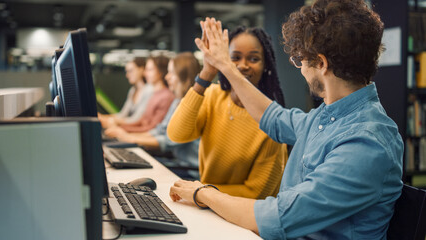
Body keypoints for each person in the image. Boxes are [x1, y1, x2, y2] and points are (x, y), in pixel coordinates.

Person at [169, 1, 404, 239]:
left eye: (300, 60)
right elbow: (273, 117)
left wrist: (204, 193)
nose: (301, 69)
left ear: (321, 63)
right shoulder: (330, 116)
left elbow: (277, 217)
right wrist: (225, 67)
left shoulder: (366, 143)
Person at [167, 25, 288, 199]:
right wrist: (207, 74)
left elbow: (256, 193)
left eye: (253, 59)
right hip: (205, 201)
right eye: (235, 58)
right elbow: (176, 134)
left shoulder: (271, 119)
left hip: (242, 215)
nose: (243, 65)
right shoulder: (212, 96)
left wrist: (201, 192)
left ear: (265, 65)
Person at [109, 52, 201, 172]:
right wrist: (128, 136)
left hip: (188, 169)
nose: (167, 77)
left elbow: (170, 141)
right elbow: (160, 130)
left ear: (184, 77)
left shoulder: (192, 105)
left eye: (172, 73)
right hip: (178, 162)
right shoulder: (176, 101)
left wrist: (130, 137)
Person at [105, 55, 174, 137]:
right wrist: (121, 128)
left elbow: (152, 128)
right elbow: (141, 121)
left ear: (160, 71)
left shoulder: (166, 96)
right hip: (142, 137)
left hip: (148, 141)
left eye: (150, 70)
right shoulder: (153, 93)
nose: (145, 73)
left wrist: (123, 130)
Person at [98, 57, 153, 127]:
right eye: (126, 71)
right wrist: (103, 117)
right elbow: (123, 114)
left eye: (130, 71)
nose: (127, 75)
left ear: (141, 70)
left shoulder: (149, 90)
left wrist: (109, 120)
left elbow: (137, 119)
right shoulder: (132, 91)